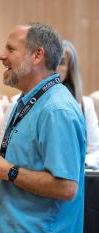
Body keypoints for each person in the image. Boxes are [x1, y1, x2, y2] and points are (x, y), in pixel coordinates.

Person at [0, 23, 86, 233]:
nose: (1, 56)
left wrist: (8, 171)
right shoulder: (27, 101)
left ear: (37, 55)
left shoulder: (56, 110)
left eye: (10, 49)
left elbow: (66, 188)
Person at [56, 39, 99, 169]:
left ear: (70, 69)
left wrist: (78, 163)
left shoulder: (86, 105)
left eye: (61, 62)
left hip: (77, 175)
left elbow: (95, 150)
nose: (55, 67)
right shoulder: (23, 100)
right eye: (52, 61)